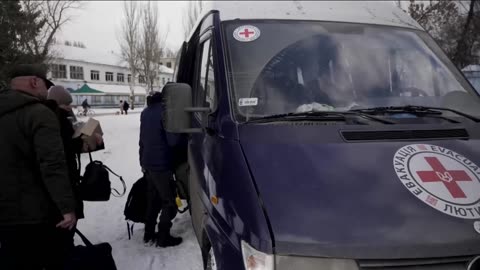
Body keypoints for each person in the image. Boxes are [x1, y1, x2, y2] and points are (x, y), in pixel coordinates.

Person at [0, 64, 77, 270]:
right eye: (45, 84)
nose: (46, 90)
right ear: (34, 82)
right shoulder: (39, 113)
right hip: (36, 213)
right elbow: (52, 165)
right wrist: (67, 208)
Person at [139, 91, 183, 247]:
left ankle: (148, 233)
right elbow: (172, 141)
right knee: (169, 201)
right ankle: (163, 237)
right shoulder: (165, 112)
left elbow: (141, 140)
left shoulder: (145, 113)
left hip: (148, 163)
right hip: (162, 164)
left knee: (153, 200)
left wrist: (142, 162)